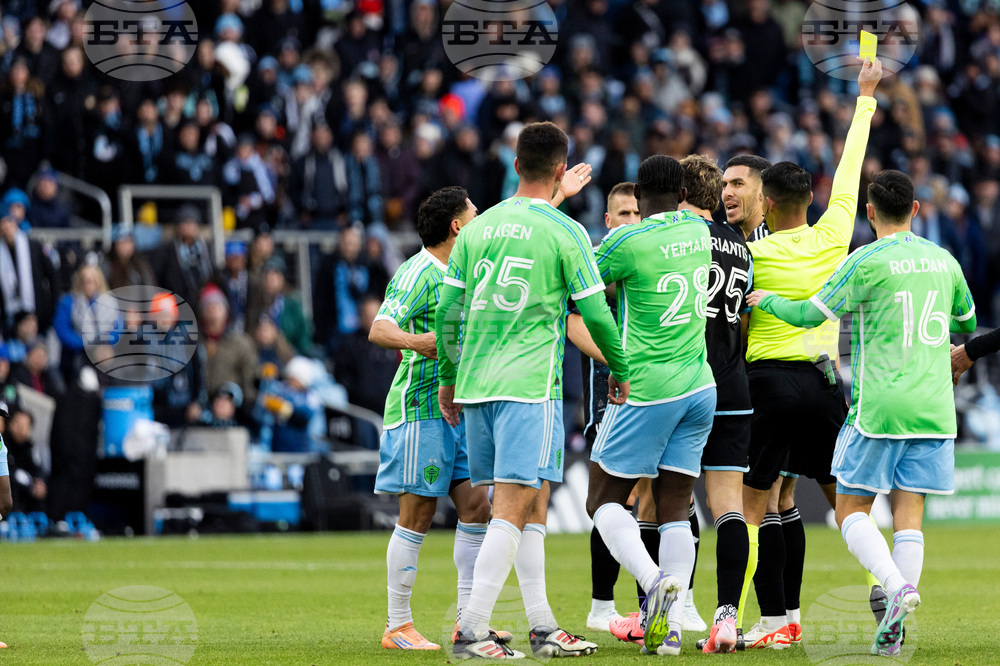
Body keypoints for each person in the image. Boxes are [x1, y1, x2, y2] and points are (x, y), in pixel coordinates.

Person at [746, 168, 977, 656]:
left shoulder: (865, 260)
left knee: (851, 509)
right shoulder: (945, 260)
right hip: (935, 406)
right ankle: (894, 628)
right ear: (916, 209)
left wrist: (769, 301)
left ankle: (895, 587)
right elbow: (968, 319)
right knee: (909, 516)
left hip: (881, 406)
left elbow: (810, 314)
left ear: (869, 212)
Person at [437, 122, 630, 659]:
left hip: (477, 385)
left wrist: (449, 378)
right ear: (561, 170)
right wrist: (620, 367)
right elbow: (596, 313)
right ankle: (471, 630)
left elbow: (449, 311)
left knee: (531, 503)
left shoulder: (477, 229)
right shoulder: (567, 232)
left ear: (516, 165)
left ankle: (543, 626)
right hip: (529, 387)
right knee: (512, 507)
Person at [739, 58, 882, 650]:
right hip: (826, 385)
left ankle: (746, 618)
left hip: (770, 384)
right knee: (843, 504)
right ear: (811, 199)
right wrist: (865, 97)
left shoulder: (753, 257)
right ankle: (886, 585)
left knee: (751, 509)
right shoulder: (834, 235)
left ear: (768, 203)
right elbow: (850, 167)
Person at [585, 155, 716, 657]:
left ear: (637, 197)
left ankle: (653, 581)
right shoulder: (700, 232)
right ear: (682, 193)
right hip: (699, 386)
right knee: (675, 507)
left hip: (647, 387)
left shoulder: (627, 241)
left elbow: (582, 284)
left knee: (601, 500)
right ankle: (673, 629)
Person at [368, 186, 495, 651]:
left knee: (477, 507)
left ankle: (468, 620)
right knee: (418, 514)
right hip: (420, 408)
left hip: (460, 409)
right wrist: (416, 342)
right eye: (475, 212)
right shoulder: (419, 272)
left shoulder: (467, 270)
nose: (481, 217)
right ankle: (397, 624)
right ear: (457, 226)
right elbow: (379, 328)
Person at [678, 154, 753, 653]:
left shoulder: (680, 238)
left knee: (665, 501)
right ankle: (727, 616)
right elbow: (743, 321)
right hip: (733, 383)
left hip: (684, 382)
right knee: (728, 506)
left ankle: (663, 610)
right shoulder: (742, 248)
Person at [0, 213, 59, 337]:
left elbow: (52, 276)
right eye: (2, 223)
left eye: (9, 222)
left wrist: (52, 306)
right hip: (10, 315)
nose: (6, 227)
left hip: (37, 311)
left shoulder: (33, 246)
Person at [721, 154, 771, 242]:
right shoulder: (740, 244)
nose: (726, 193)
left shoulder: (774, 244)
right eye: (724, 185)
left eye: (738, 184)